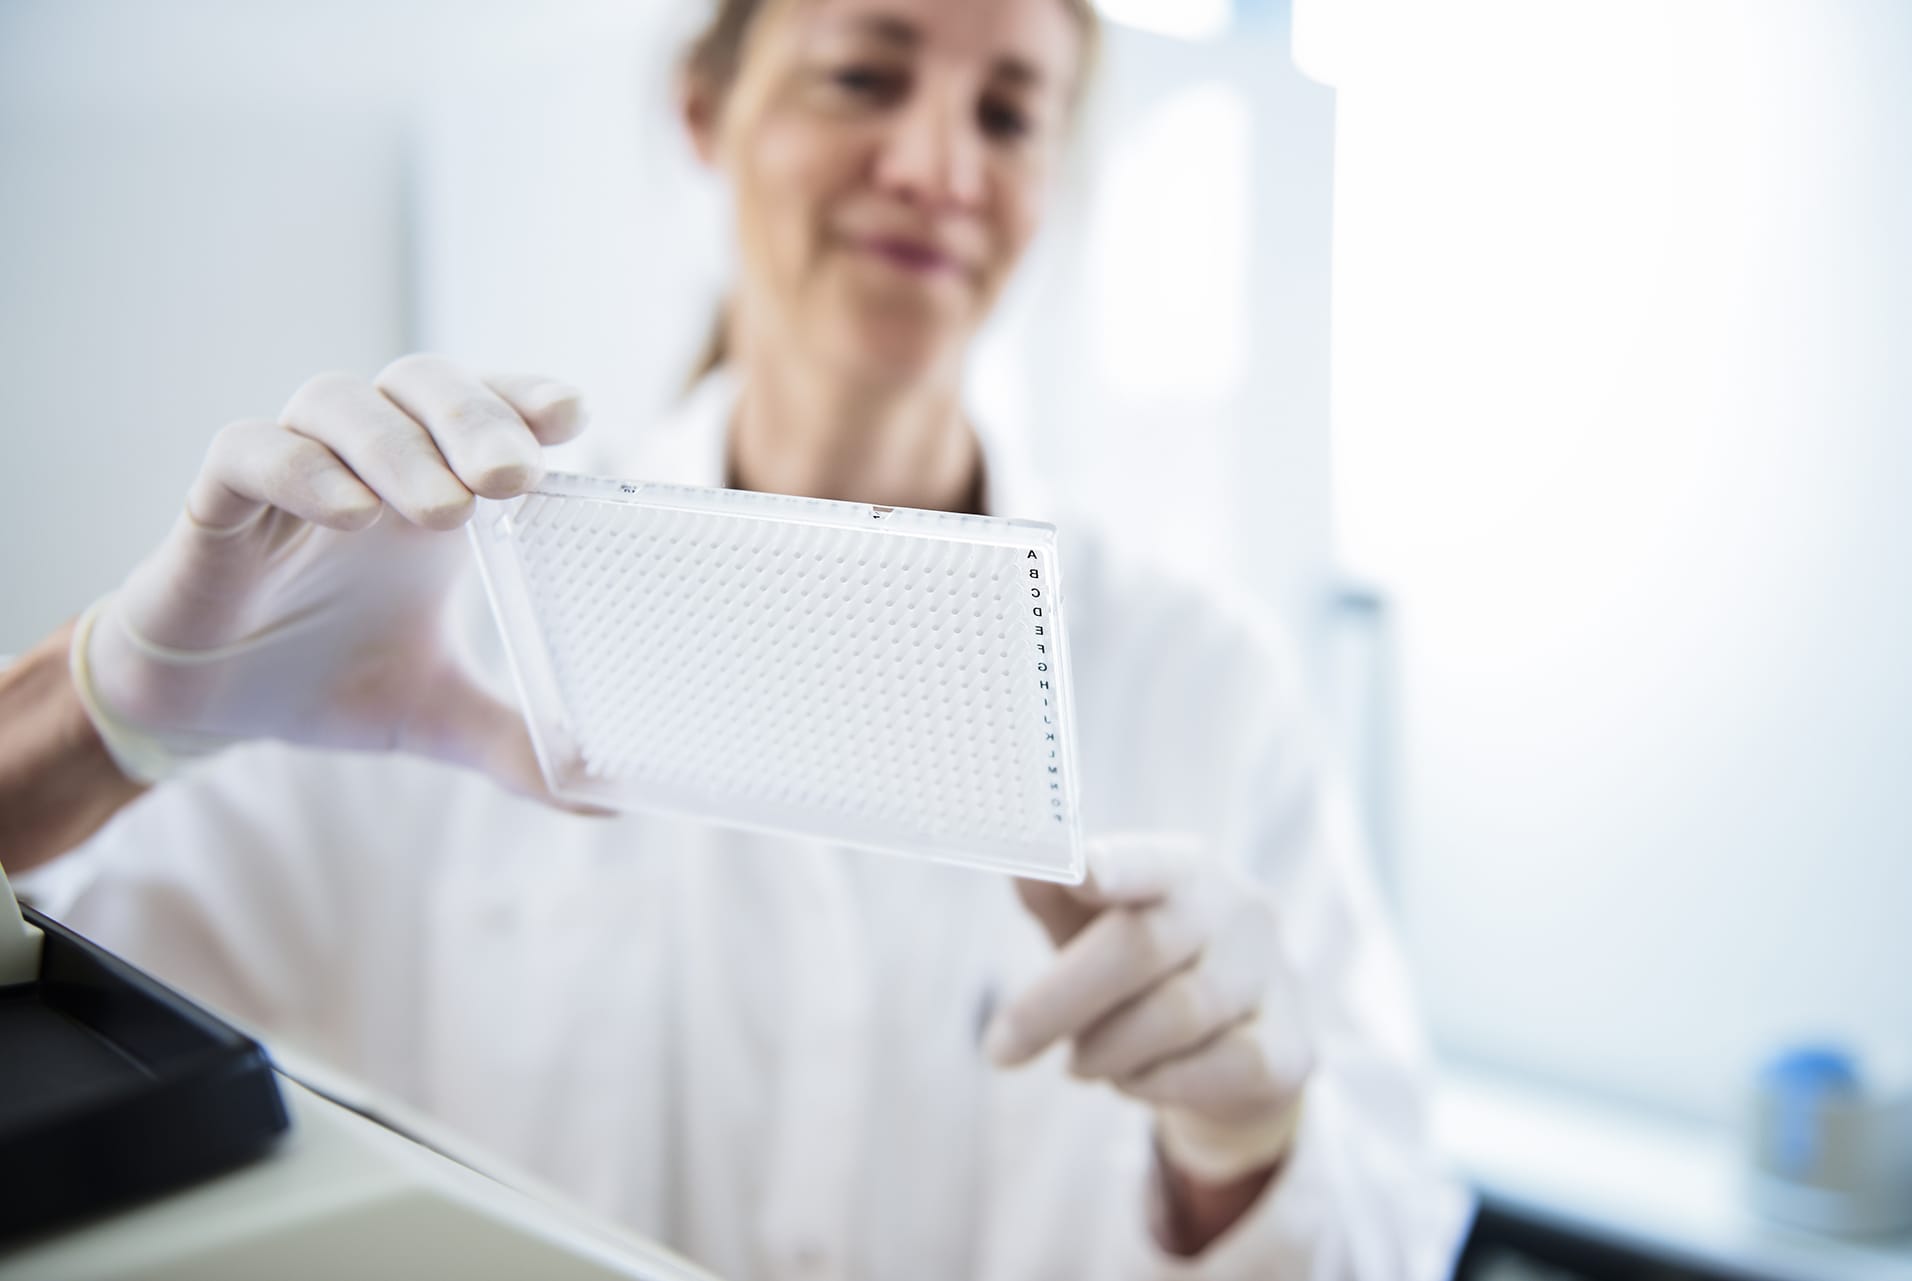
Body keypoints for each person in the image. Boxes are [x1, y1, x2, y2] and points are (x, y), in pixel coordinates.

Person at [0, 0, 1469, 1275]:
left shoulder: (1207, 685)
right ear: (705, 109)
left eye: (1011, 112)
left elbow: (1388, 1239)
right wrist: (111, 710)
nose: (938, 168)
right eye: (865, 74)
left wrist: (1246, 1144)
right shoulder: (440, 606)